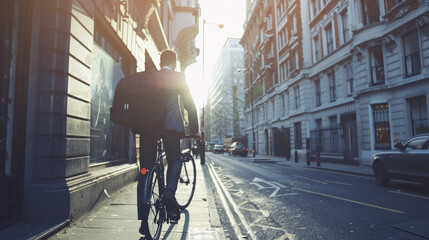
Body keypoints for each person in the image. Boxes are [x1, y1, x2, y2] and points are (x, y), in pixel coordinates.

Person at [137, 49, 201, 235]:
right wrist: (194, 130)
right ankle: (169, 193)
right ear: (174, 63)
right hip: (171, 127)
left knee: (145, 170)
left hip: (148, 128)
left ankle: (143, 221)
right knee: (174, 159)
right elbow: (189, 104)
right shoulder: (179, 77)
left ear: (160, 62)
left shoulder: (149, 77)